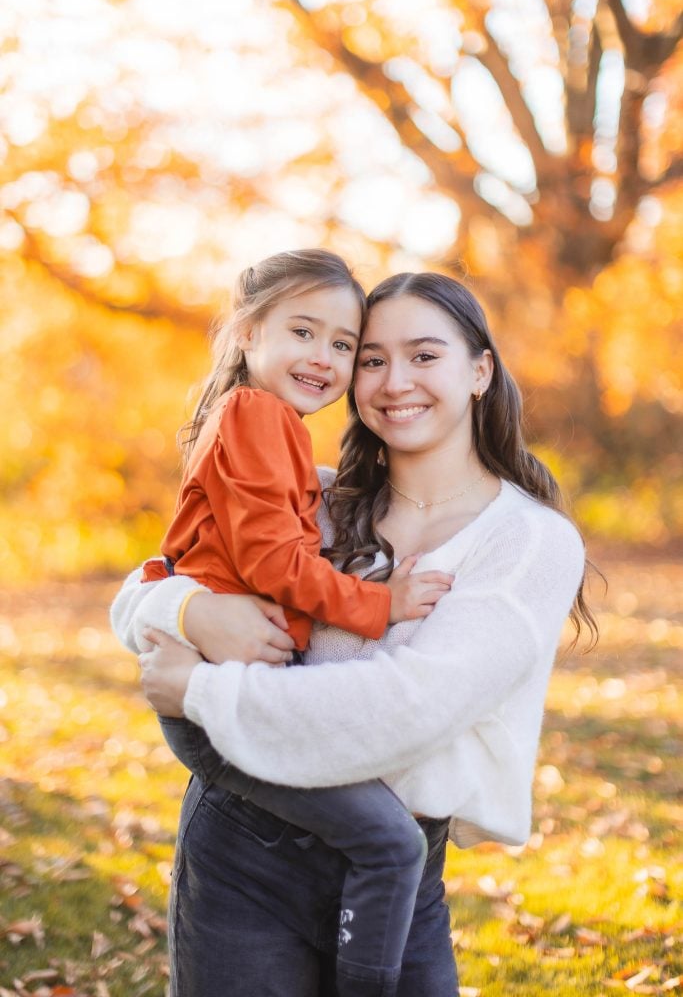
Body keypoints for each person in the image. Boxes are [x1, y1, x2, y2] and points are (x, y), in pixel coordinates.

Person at [112, 271, 594, 997]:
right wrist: (192, 614)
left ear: (479, 371)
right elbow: (138, 591)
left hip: (393, 864)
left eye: (424, 355)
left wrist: (202, 687)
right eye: (370, 358)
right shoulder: (319, 502)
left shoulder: (527, 541)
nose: (394, 380)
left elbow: (408, 705)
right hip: (245, 852)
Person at [129, 248, 454, 997]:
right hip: (218, 694)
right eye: (303, 333)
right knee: (389, 846)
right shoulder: (254, 415)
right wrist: (383, 603)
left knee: (388, 845)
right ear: (248, 335)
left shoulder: (273, 430)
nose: (324, 357)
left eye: (343, 345)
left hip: (239, 683)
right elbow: (275, 565)